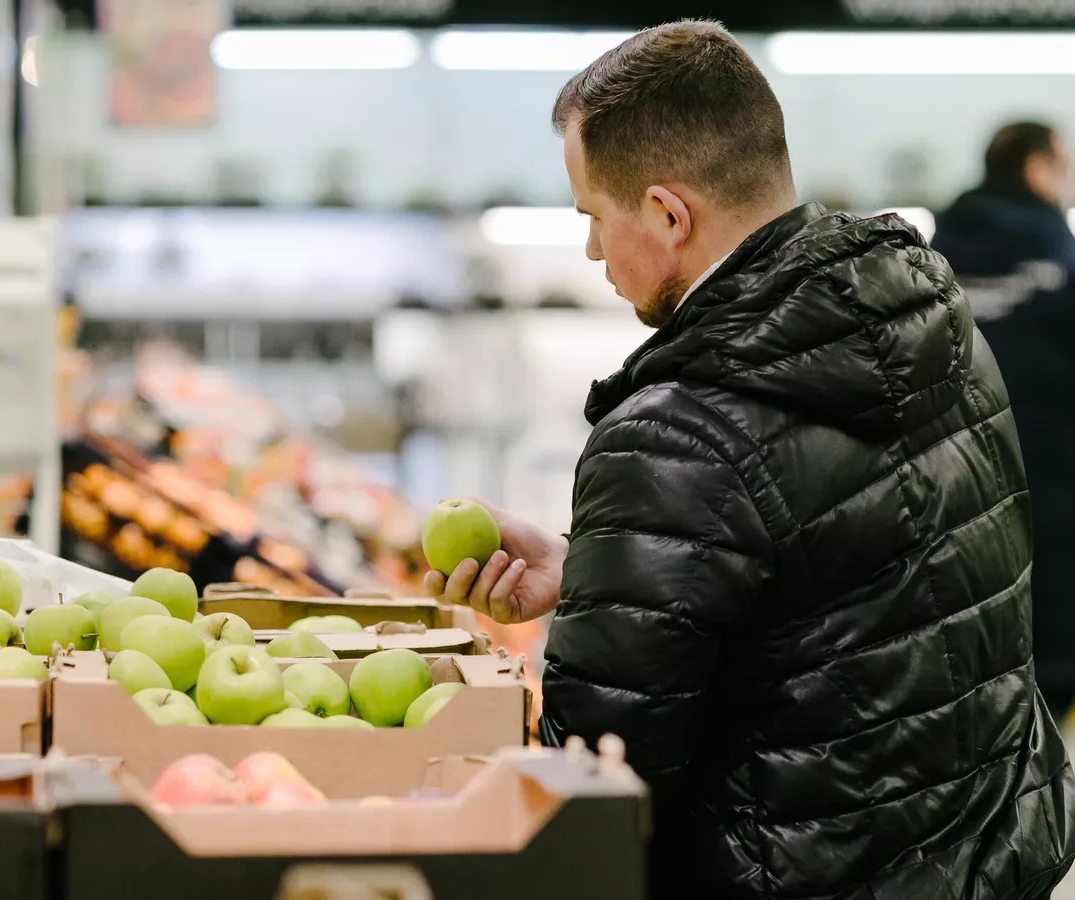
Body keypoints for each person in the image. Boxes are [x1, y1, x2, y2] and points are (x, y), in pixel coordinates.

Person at [426, 21, 1075, 900]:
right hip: (997, 857)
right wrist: (606, 577)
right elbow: (860, 599)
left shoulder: (673, 431)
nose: (590, 250)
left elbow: (602, 789)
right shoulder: (940, 329)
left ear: (666, 213)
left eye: (592, 217)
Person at [933, 123, 1075, 719]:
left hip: (952, 467)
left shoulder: (939, 246)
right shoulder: (1054, 246)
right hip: (1052, 467)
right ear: (1036, 168)